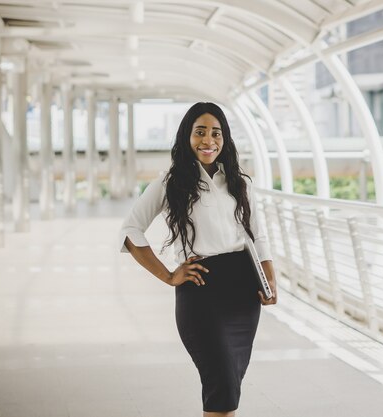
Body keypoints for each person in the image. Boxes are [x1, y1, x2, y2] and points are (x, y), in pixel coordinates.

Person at [118, 102, 277, 417]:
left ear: (225, 138)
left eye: (216, 133)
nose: (209, 141)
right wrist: (169, 276)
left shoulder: (240, 182)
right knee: (221, 386)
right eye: (200, 132)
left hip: (244, 294)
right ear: (186, 137)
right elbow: (130, 230)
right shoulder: (170, 182)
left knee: (229, 386)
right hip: (201, 291)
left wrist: (269, 279)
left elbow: (259, 236)